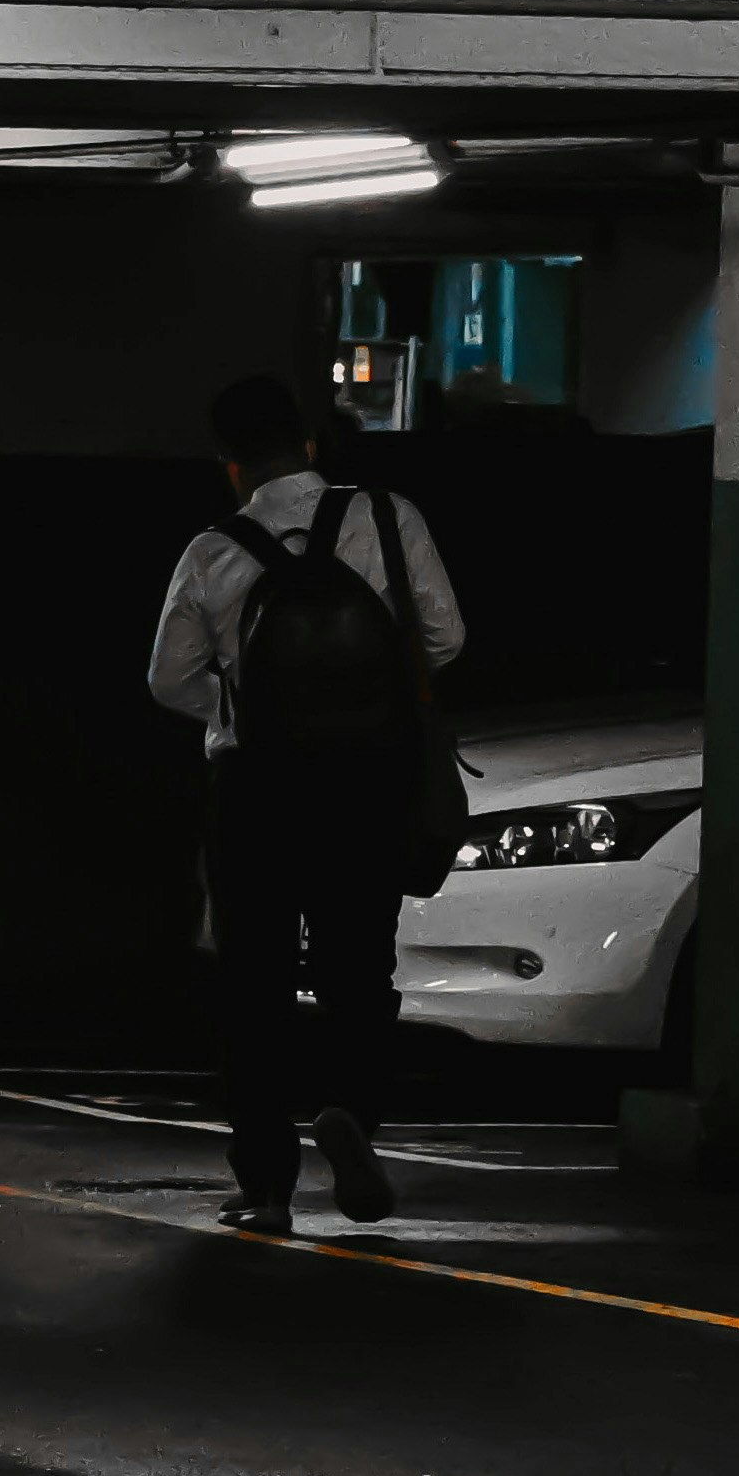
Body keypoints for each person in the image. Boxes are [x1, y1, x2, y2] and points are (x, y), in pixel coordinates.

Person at [146, 376, 465, 1231]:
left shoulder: (212, 551)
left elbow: (168, 679)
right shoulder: (388, 518)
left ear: (230, 464)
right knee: (358, 966)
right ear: (312, 446)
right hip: (365, 781)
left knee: (252, 983)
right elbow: (444, 636)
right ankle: (350, 1115)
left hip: (256, 790)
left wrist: (239, 710)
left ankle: (265, 1190)